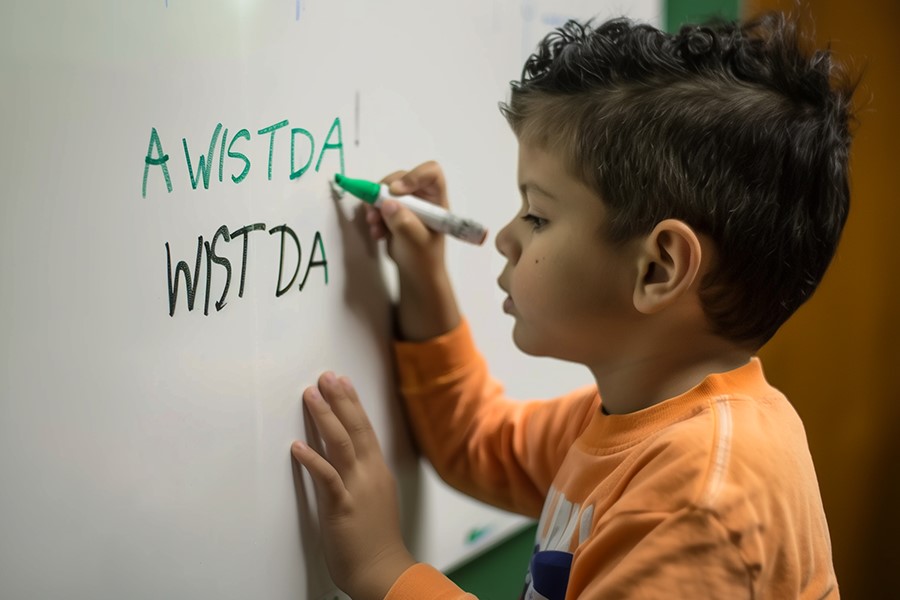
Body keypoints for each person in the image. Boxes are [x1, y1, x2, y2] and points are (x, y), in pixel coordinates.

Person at [290, 10, 857, 600]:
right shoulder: (633, 412)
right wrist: (424, 276)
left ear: (658, 268)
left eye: (536, 214)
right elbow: (473, 442)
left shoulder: (700, 503)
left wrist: (385, 569)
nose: (505, 237)